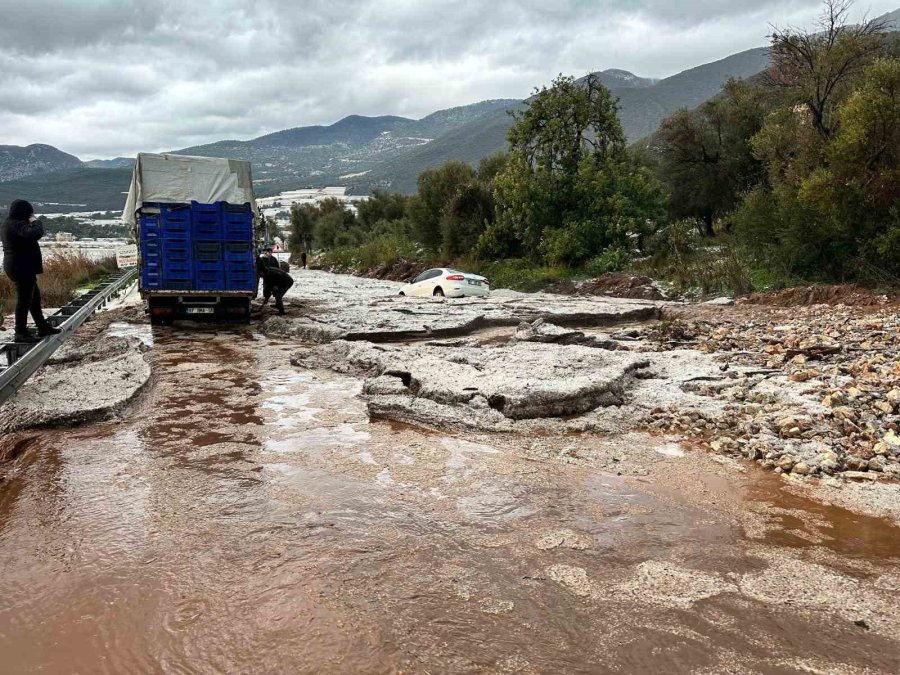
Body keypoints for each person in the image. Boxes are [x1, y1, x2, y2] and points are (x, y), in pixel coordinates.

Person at [1, 199, 61, 343]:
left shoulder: (9, 223)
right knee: (24, 300)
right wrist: (36, 221)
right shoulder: (17, 224)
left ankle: (42, 326)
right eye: (29, 213)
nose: (31, 215)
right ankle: (20, 332)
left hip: (19, 266)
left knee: (34, 298)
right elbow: (35, 234)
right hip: (20, 267)